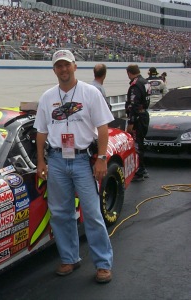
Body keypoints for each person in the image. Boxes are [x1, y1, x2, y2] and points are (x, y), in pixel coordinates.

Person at [34, 50, 114, 284]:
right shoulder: (48, 97)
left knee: (92, 213)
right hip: (57, 160)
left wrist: (101, 158)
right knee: (60, 214)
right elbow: (41, 131)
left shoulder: (90, 93)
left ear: (75, 66)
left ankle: (103, 264)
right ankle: (70, 258)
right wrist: (41, 160)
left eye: (67, 65)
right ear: (54, 70)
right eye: (59, 66)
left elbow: (102, 127)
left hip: (82, 159)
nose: (63, 69)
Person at [125, 64, 150, 181]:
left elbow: (133, 104)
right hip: (144, 114)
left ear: (129, 73)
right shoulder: (145, 82)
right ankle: (143, 168)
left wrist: (131, 122)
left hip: (138, 117)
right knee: (141, 142)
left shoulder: (135, 85)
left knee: (137, 144)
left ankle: (139, 171)